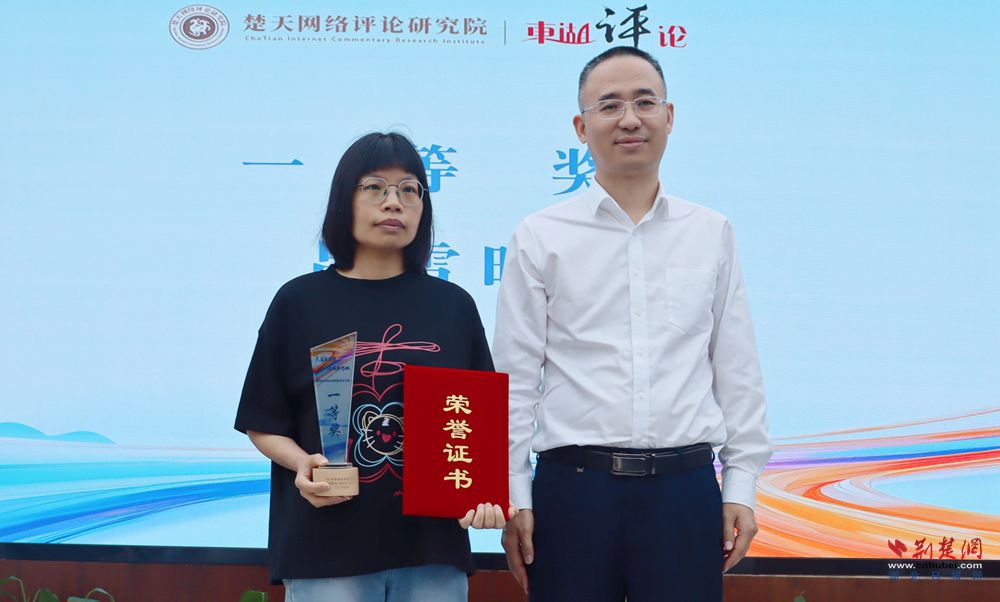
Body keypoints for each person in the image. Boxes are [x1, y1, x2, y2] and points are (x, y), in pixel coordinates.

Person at [495, 47, 773, 602]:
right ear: (581, 127)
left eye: (645, 102)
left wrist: (741, 484)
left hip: (684, 491)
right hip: (573, 492)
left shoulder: (710, 231)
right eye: (609, 105)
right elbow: (515, 378)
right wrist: (515, 495)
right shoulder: (540, 235)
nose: (629, 119)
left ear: (669, 117)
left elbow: (736, 368)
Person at [235, 132, 507, 602]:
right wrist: (303, 464)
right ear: (344, 200)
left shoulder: (453, 306)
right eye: (375, 187)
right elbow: (263, 421)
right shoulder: (299, 301)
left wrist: (482, 497)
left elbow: (476, 427)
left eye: (409, 190)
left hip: (432, 549)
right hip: (327, 545)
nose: (393, 202)